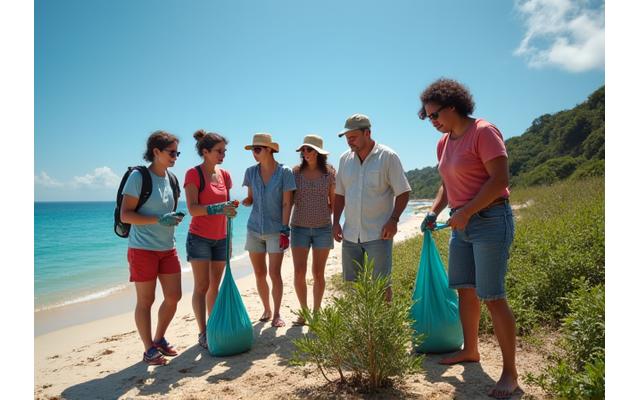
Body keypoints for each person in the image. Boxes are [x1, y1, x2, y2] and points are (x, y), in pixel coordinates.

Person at [418, 78, 518, 398]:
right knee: (466, 291)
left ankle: (510, 374)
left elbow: (499, 179)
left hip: (490, 220)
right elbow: (447, 184)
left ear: (453, 106)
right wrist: (435, 212)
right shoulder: (444, 142)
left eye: (434, 115)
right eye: (427, 117)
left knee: (493, 295)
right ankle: (470, 350)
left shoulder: (484, 132)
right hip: (462, 225)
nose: (431, 121)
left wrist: (468, 211)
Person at [120, 130, 184, 365]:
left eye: (178, 152)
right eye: (171, 152)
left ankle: (159, 339)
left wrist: (172, 218)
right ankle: (148, 349)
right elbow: (126, 215)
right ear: (156, 152)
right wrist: (159, 219)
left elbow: (164, 212)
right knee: (146, 301)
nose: (175, 156)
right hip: (142, 249)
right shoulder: (138, 177)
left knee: (174, 296)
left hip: (168, 247)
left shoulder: (172, 178)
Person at [332, 114, 411, 302]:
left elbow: (403, 191)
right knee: (352, 285)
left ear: (367, 133)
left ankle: (384, 327)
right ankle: (360, 327)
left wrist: (394, 220)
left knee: (382, 285)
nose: (349, 142)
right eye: (347, 138)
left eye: (353, 137)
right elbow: (340, 194)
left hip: (379, 233)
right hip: (351, 234)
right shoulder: (345, 159)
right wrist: (335, 222)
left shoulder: (388, 157)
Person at [184, 129, 238, 349]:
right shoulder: (193, 174)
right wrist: (218, 208)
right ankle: (203, 333)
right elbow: (193, 209)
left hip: (221, 238)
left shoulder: (225, 175)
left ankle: (214, 326)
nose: (222, 155)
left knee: (214, 286)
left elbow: (227, 206)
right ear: (205, 152)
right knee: (202, 286)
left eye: (224, 151)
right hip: (199, 239)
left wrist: (230, 210)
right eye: (218, 151)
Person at [242, 133, 296, 327]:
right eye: (253, 150)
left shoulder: (285, 172)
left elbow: (287, 203)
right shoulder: (250, 172)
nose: (254, 154)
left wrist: (284, 230)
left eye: (257, 149)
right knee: (259, 274)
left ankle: (277, 314)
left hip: (276, 230)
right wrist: (244, 202)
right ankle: (266, 308)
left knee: (275, 273)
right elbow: (250, 198)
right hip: (253, 229)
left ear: (269, 150)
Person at [290, 135, 336, 325]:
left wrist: (323, 217)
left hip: (323, 229)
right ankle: (304, 312)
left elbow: (333, 202)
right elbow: (289, 200)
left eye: (309, 149)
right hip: (299, 228)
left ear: (318, 152)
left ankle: (316, 314)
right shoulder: (295, 172)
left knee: (318, 274)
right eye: (303, 150)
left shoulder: (329, 172)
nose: (305, 153)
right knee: (299, 273)